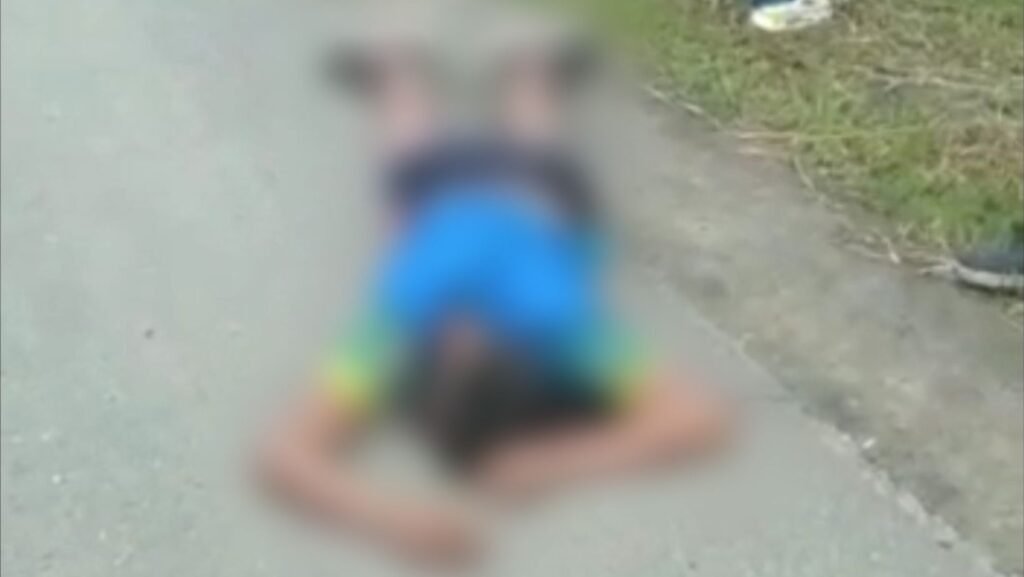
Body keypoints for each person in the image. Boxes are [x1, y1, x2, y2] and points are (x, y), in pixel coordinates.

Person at [257, 38, 732, 566]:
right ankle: (523, 77)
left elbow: (286, 456)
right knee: (528, 157)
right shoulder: (554, 323)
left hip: (447, 201)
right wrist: (552, 463)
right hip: (530, 198)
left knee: (412, 170)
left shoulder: (403, 329)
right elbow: (696, 419)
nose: (464, 328)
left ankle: (408, 76)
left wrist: (395, 521)